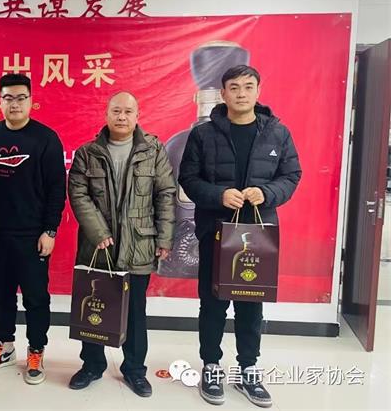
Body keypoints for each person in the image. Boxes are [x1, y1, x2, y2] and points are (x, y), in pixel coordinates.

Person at [179, 65, 301, 408]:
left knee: (251, 304)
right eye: (234, 87)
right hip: (216, 232)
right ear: (223, 94)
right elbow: (188, 178)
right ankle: (211, 366)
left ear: (258, 91)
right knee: (213, 303)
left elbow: (291, 175)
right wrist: (219, 195)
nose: (241, 93)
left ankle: (248, 369)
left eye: (248, 87)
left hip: (257, 234)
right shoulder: (203, 135)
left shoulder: (277, 133)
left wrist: (268, 193)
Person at [67, 92, 175, 397]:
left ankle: (135, 370)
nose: (122, 117)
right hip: (97, 245)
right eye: (116, 111)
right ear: (106, 114)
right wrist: (98, 231)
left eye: (128, 111)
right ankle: (91, 365)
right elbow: (78, 194)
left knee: (135, 311)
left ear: (138, 116)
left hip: (139, 242)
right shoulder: (88, 153)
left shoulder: (153, 150)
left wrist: (164, 237)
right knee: (95, 304)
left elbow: (165, 194)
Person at [0, 73, 67, 385]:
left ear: (30, 101)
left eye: (20, 98)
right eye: (8, 98)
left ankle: (36, 350)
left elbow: (57, 189)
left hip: (33, 234)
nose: (14, 104)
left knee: (36, 297)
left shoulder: (46, 139)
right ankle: (4, 346)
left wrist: (50, 230)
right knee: (0, 294)